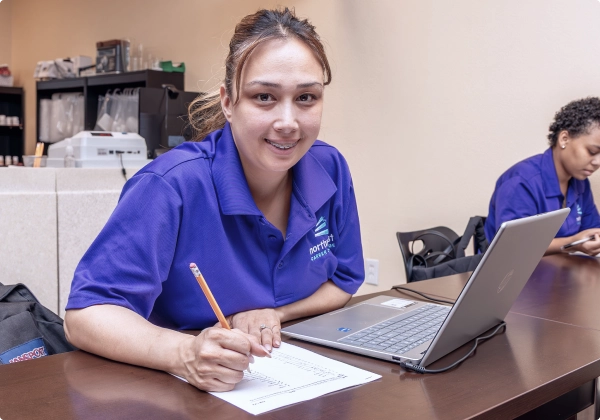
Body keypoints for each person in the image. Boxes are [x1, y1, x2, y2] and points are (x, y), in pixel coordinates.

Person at [64, 8, 364, 392]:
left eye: (306, 97)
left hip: (302, 383)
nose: (288, 121)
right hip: (181, 392)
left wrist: (274, 313)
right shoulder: (171, 185)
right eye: (264, 97)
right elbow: (86, 315)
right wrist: (184, 353)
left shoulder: (330, 166)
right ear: (228, 102)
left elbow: (345, 279)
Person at [484, 97, 600, 255]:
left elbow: (592, 230)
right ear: (564, 139)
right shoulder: (521, 182)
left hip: (561, 271)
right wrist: (572, 243)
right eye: (592, 152)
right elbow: (514, 247)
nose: (597, 162)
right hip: (512, 275)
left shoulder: (580, 183)